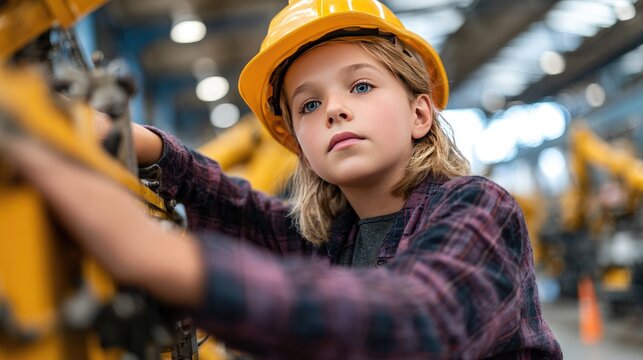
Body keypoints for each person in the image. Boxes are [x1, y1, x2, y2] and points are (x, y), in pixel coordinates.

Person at [3, 0, 562, 358]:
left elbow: (419, 320)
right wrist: (141, 144)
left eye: (361, 87)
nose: (334, 111)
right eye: (309, 103)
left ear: (420, 115)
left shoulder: (480, 209)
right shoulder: (336, 239)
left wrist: (157, 258)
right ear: (299, 142)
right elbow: (240, 209)